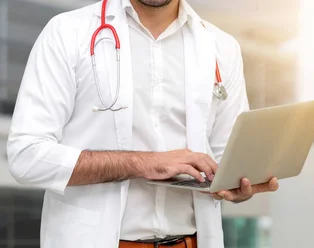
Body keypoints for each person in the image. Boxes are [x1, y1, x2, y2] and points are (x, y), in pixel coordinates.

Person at [6, 0, 279, 247]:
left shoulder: (222, 47)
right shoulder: (67, 33)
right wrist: (144, 163)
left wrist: (239, 187)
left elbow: (224, 161)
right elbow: (26, 156)